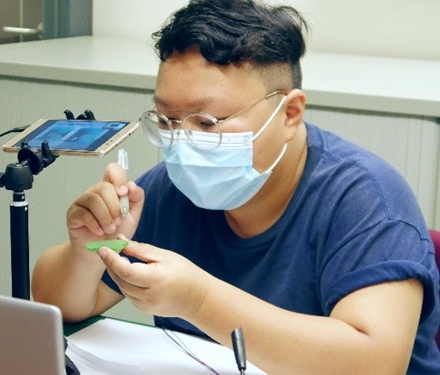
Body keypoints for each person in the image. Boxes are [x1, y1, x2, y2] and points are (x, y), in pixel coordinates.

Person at [32, 0, 440, 373]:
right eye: (167, 120)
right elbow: (61, 305)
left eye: (208, 123)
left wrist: (199, 301)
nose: (183, 141)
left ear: (290, 113)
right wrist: (87, 249)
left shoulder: (365, 200)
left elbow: (374, 363)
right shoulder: (172, 190)